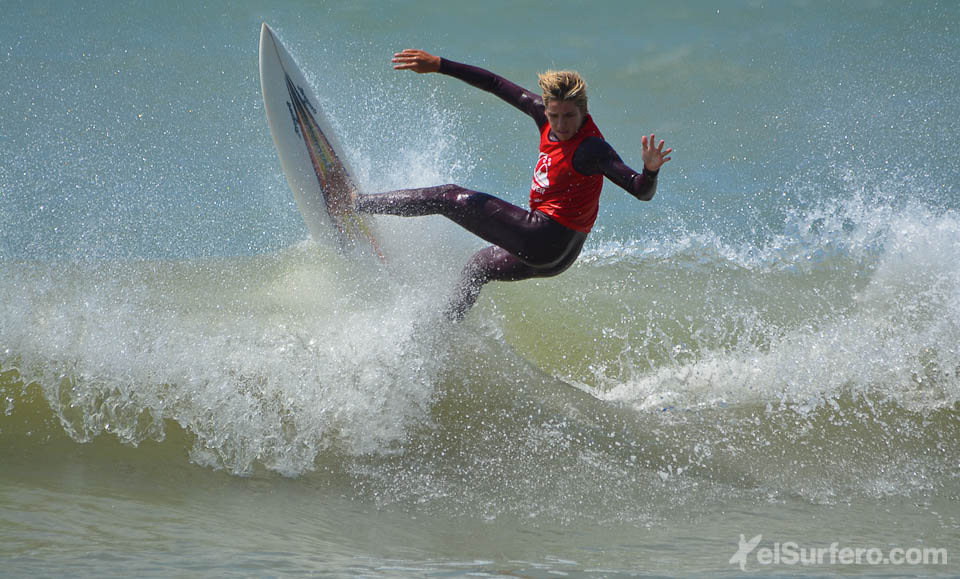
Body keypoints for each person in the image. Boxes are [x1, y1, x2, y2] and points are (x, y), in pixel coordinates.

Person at [355, 49, 672, 320]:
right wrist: (439, 64)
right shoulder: (543, 116)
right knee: (477, 268)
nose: (561, 125)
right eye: (555, 115)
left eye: (569, 116)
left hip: (546, 237)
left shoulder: (592, 149)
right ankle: (445, 326)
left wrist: (650, 170)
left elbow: (640, 190)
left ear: (584, 111)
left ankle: (357, 203)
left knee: (447, 196)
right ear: (546, 108)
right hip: (558, 256)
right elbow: (494, 83)